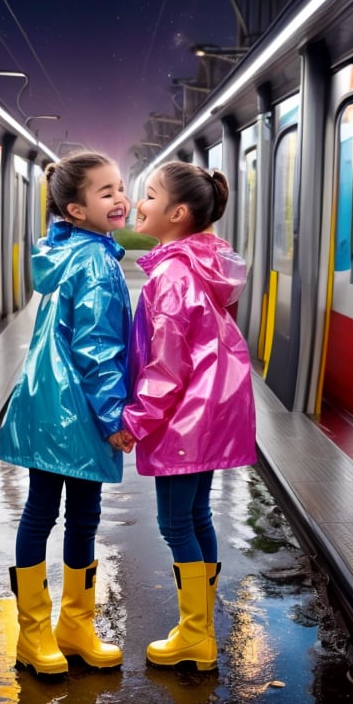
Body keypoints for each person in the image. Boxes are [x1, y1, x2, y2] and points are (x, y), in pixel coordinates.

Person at [0, 150, 133, 677]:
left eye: (121, 188)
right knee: (72, 515)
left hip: (46, 402)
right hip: (76, 410)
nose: (120, 199)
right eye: (106, 192)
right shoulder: (96, 263)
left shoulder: (68, 249)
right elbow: (97, 348)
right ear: (76, 210)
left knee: (47, 512)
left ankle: (58, 629)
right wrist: (115, 417)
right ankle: (51, 630)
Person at [119, 160, 257, 671]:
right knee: (197, 515)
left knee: (176, 522)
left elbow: (167, 365)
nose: (139, 203)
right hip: (213, 409)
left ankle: (196, 636)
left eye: (149, 195)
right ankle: (200, 627)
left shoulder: (174, 275)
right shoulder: (202, 263)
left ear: (177, 213)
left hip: (186, 416)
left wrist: (134, 421)